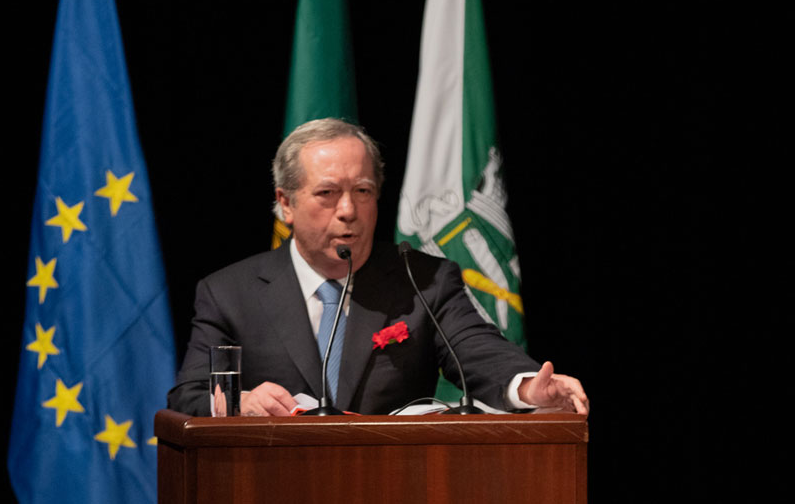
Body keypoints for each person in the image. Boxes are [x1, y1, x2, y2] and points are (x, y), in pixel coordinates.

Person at [167, 118, 589, 417]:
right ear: (286, 203)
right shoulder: (230, 292)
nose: (348, 210)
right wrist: (239, 403)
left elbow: (477, 351)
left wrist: (529, 386)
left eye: (363, 191)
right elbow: (188, 395)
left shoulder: (424, 280)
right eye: (327, 193)